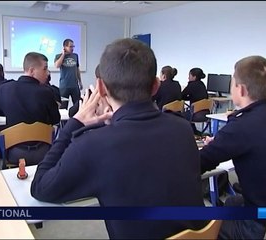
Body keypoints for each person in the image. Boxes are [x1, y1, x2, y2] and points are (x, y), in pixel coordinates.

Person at [31, 38, 208, 239]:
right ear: (156, 85)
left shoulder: (93, 144)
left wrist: (75, 123)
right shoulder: (183, 128)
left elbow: (40, 187)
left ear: (101, 87)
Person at [199, 55, 266, 239]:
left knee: (208, 226)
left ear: (240, 90)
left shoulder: (241, 126)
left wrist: (214, 146)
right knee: (233, 201)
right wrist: (221, 144)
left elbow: (200, 163)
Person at [0, 52, 60, 165]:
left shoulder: (6, 89)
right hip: (43, 153)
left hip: (14, 153)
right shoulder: (47, 92)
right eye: (45, 69)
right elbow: (56, 119)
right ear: (32, 71)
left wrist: (5, 109)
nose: (47, 73)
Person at [54, 38, 83, 109]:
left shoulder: (75, 56)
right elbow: (57, 65)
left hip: (75, 86)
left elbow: (77, 69)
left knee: (78, 106)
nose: (72, 48)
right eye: (70, 46)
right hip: (64, 87)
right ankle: (64, 121)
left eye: (73, 46)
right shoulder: (58, 56)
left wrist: (80, 82)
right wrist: (63, 55)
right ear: (64, 47)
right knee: (63, 107)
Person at [181, 67, 209, 134]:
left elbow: (181, 95)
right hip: (206, 114)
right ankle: (195, 132)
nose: (188, 78)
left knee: (178, 115)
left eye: (189, 76)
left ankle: (188, 133)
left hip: (195, 115)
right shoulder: (202, 84)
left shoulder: (191, 85)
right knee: (188, 113)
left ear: (194, 77)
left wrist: (187, 98)